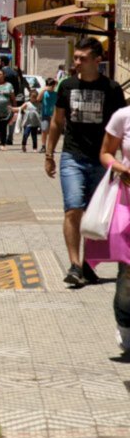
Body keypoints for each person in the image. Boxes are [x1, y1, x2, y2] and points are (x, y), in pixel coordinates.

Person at [46, 37, 126, 287]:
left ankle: (89, 263)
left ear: (96, 61)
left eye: (82, 58)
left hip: (102, 160)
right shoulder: (67, 86)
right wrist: (49, 154)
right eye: (76, 58)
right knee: (73, 208)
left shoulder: (111, 89)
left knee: (97, 214)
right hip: (73, 156)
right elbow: (57, 121)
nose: (76, 63)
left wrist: (119, 163)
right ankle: (74, 264)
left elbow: (120, 129)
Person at [96, 107, 130, 353]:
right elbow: (106, 153)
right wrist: (121, 168)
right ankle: (125, 322)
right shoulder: (123, 116)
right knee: (128, 273)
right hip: (128, 201)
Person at [37, 78, 57, 150]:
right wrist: (43, 90)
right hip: (45, 114)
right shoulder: (44, 93)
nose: (50, 87)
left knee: (52, 131)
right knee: (44, 130)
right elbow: (38, 99)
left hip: (54, 115)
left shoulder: (56, 93)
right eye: (49, 85)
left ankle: (51, 146)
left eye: (52, 85)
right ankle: (43, 146)